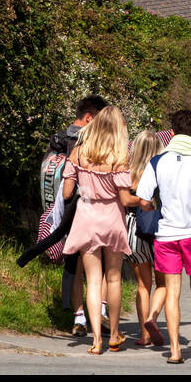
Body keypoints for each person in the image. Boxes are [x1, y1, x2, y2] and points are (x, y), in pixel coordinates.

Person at [137, 110, 191, 364]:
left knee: (172, 291)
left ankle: (175, 350)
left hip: (165, 236)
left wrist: (154, 210)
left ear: (172, 133)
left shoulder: (156, 162)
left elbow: (143, 200)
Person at [62, 106, 135, 355]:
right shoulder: (119, 156)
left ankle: (95, 340)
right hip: (112, 216)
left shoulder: (79, 153)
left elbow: (67, 193)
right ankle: (114, 334)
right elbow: (125, 199)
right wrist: (144, 202)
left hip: (86, 216)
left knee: (92, 280)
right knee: (113, 277)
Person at [42, 95, 109, 336]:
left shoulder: (59, 139)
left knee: (75, 266)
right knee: (98, 267)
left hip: (67, 214)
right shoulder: (88, 142)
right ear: (89, 118)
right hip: (92, 212)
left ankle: (78, 317)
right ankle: (99, 314)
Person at [126, 130, 162, 346]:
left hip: (134, 229)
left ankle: (144, 334)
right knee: (165, 284)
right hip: (159, 228)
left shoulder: (127, 173)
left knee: (142, 285)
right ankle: (153, 319)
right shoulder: (160, 171)